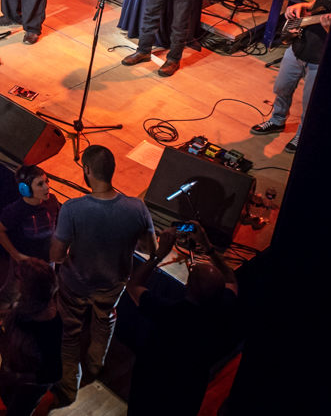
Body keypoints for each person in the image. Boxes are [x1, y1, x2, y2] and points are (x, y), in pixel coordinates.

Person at [49, 144, 155, 406]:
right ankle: (96, 365)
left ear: (87, 170)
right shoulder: (137, 208)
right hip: (113, 284)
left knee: (69, 332)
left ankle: (69, 386)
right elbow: (149, 249)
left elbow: (57, 255)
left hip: (75, 285)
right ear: (113, 171)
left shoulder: (72, 209)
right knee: (104, 320)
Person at [124, 225, 239, 416]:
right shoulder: (223, 308)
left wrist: (159, 255)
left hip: (151, 388)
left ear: (187, 286)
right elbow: (231, 280)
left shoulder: (168, 312)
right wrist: (209, 248)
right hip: (188, 391)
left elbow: (134, 284)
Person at [250, 0, 331, 152]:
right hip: (301, 45)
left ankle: (302, 135)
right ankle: (277, 120)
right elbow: (318, 4)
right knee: (281, 87)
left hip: (321, 57)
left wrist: (328, 28)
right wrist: (302, 6)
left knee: (310, 102)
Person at [0, 258, 62, 416]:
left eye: (19, 278)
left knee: (18, 411)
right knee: (7, 397)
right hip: (13, 370)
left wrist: (14, 377)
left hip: (28, 386)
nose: (16, 282)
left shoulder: (47, 327)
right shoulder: (32, 303)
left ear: (30, 288)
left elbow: (53, 373)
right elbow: (17, 312)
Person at [0, 164, 61, 308]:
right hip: (26, 263)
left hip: (48, 260)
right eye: (40, 184)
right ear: (25, 189)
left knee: (46, 292)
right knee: (11, 293)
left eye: (47, 181)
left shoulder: (52, 201)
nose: (47, 187)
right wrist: (16, 255)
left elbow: (56, 225)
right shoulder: (15, 211)